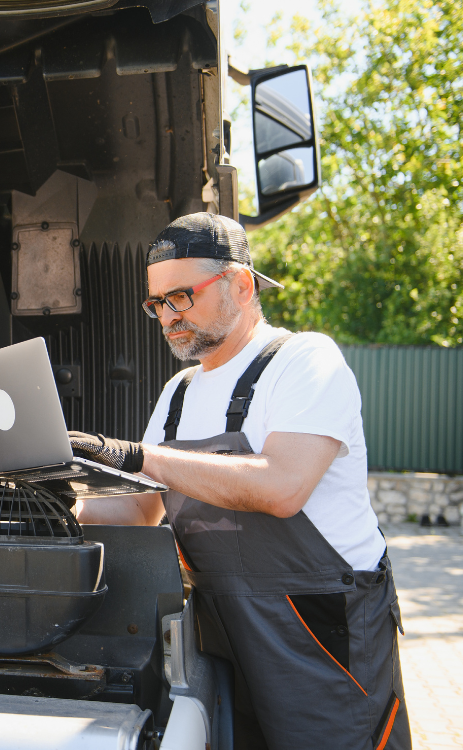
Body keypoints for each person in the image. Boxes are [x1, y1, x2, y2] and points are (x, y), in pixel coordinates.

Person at [71, 213, 409, 750]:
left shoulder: (304, 361)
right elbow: (138, 512)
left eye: (181, 297)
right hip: (226, 631)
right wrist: (60, 501)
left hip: (320, 631)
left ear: (242, 284)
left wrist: (137, 457)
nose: (166, 317)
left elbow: (281, 487)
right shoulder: (178, 393)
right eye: (157, 303)